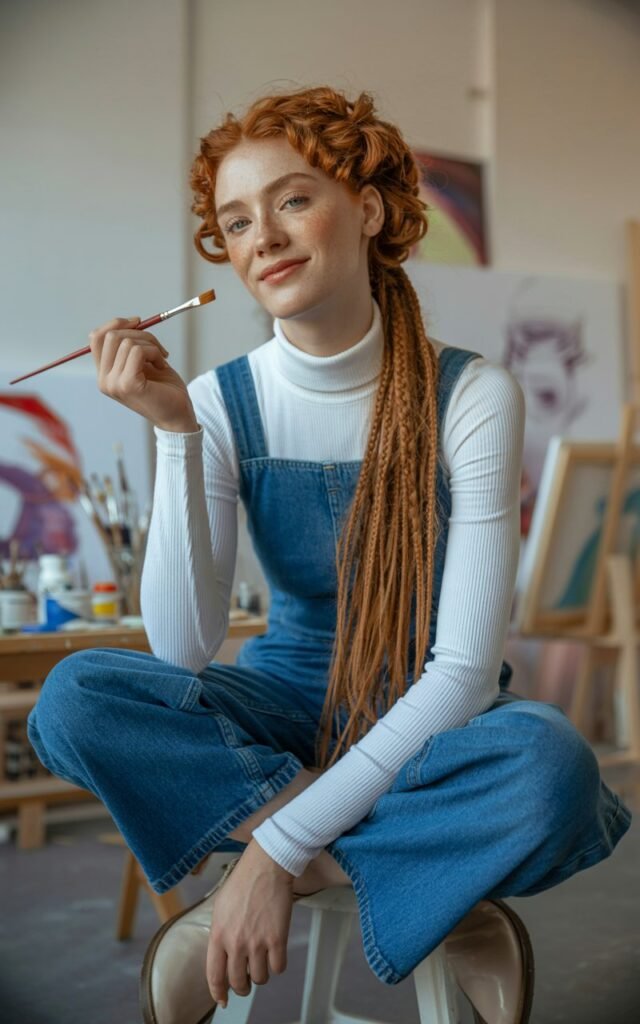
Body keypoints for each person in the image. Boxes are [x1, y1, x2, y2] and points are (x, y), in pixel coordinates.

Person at [27, 85, 631, 1024]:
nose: (261, 234)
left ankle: (270, 882)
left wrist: (272, 853)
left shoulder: (474, 396)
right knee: (77, 698)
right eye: (235, 221)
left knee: (552, 766)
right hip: (282, 705)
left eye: (293, 199)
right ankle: (438, 900)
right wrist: (178, 437)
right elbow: (182, 653)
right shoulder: (219, 400)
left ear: (373, 208)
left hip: (435, 715)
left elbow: (464, 674)